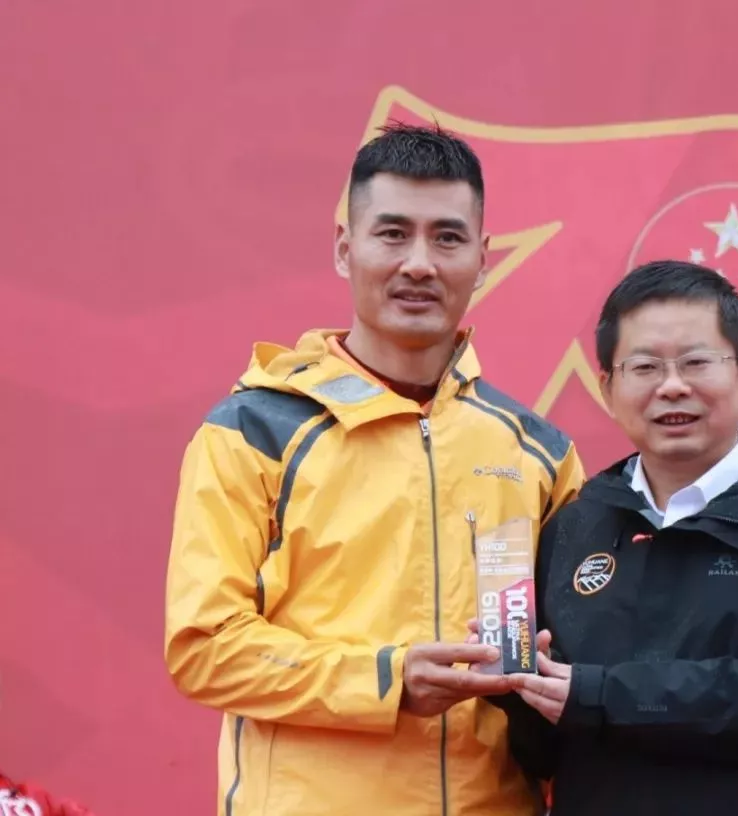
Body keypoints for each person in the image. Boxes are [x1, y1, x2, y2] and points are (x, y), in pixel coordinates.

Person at [163, 123, 585, 816]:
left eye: (447, 238)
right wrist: (385, 680)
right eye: (392, 234)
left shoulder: (538, 452)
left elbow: (578, 653)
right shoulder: (255, 430)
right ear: (344, 247)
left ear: (483, 259)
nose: (419, 263)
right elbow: (204, 648)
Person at [489, 260, 738, 814]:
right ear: (608, 389)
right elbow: (546, 751)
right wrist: (518, 686)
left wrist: (602, 696)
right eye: (645, 366)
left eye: (696, 362)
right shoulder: (574, 526)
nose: (672, 387)